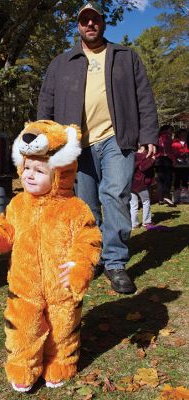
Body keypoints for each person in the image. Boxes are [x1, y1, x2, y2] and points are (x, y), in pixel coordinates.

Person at [0, 120, 101, 392]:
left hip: (62, 287)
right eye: (26, 169)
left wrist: (79, 266)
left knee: (63, 328)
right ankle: (23, 364)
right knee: (23, 328)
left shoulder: (75, 208)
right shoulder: (17, 204)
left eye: (39, 170)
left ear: (60, 173)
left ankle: (61, 360)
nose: (29, 175)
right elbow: (5, 231)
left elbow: (88, 239)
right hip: (25, 285)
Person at [37, 1, 158, 294]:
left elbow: (144, 96)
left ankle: (115, 262)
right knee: (86, 204)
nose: (90, 25)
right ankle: (94, 254)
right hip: (77, 145)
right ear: (78, 26)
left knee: (115, 193)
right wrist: (44, 141)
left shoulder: (125, 56)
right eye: (84, 21)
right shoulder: (61, 63)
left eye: (95, 20)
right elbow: (46, 103)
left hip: (118, 139)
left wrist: (149, 134)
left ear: (103, 24)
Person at [130, 148, 155, 230]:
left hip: (131, 183)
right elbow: (143, 167)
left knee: (133, 204)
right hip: (140, 184)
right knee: (146, 201)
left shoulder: (131, 156)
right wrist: (152, 160)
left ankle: (134, 224)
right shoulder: (142, 156)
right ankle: (146, 222)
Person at [155, 124, 176, 206]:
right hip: (165, 159)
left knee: (160, 179)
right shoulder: (166, 136)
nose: (171, 132)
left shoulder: (157, 136)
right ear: (166, 130)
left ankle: (160, 199)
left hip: (158, 159)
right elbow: (167, 149)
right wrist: (173, 159)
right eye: (171, 130)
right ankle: (166, 195)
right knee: (168, 178)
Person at [171, 128, 189, 204]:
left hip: (186, 165)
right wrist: (180, 154)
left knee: (185, 180)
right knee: (177, 181)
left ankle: (184, 198)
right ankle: (176, 198)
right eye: (182, 134)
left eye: (185, 134)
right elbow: (172, 153)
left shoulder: (187, 143)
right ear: (179, 134)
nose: (184, 135)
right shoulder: (174, 143)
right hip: (177, 165)